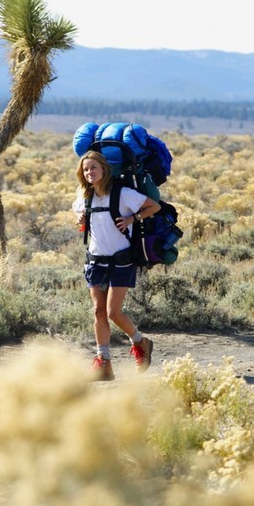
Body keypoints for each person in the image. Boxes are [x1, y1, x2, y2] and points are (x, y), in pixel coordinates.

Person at [72, 150, 161, 380]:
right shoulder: (84, 197)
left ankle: (141, 342)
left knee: (113, 312)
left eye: (93, 167)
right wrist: (81, 221)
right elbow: (82, 221)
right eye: (85, 169)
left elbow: (154, 206)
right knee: (98, 312)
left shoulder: (123, 194)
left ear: (104, 168)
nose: (89, 172)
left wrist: (133, 218)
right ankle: (104, 364)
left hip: (122, 260)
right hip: (95, 260)